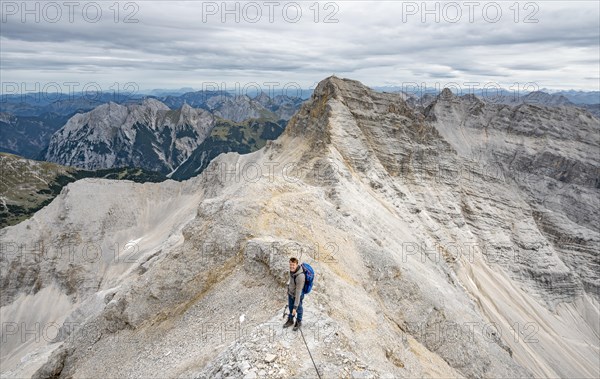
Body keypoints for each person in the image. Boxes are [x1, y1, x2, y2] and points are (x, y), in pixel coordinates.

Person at [283, 257, 305, 331]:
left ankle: (299, 321)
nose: (291, 266)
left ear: (297, 264)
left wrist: (295, 307)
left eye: (293, 265)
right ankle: (291, 320)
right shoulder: (292, 271)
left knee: (298, 309)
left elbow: (298, 293)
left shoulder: (300, 276)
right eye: (290, 264)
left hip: (298, 295)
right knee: (290, 308)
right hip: (291, 294)